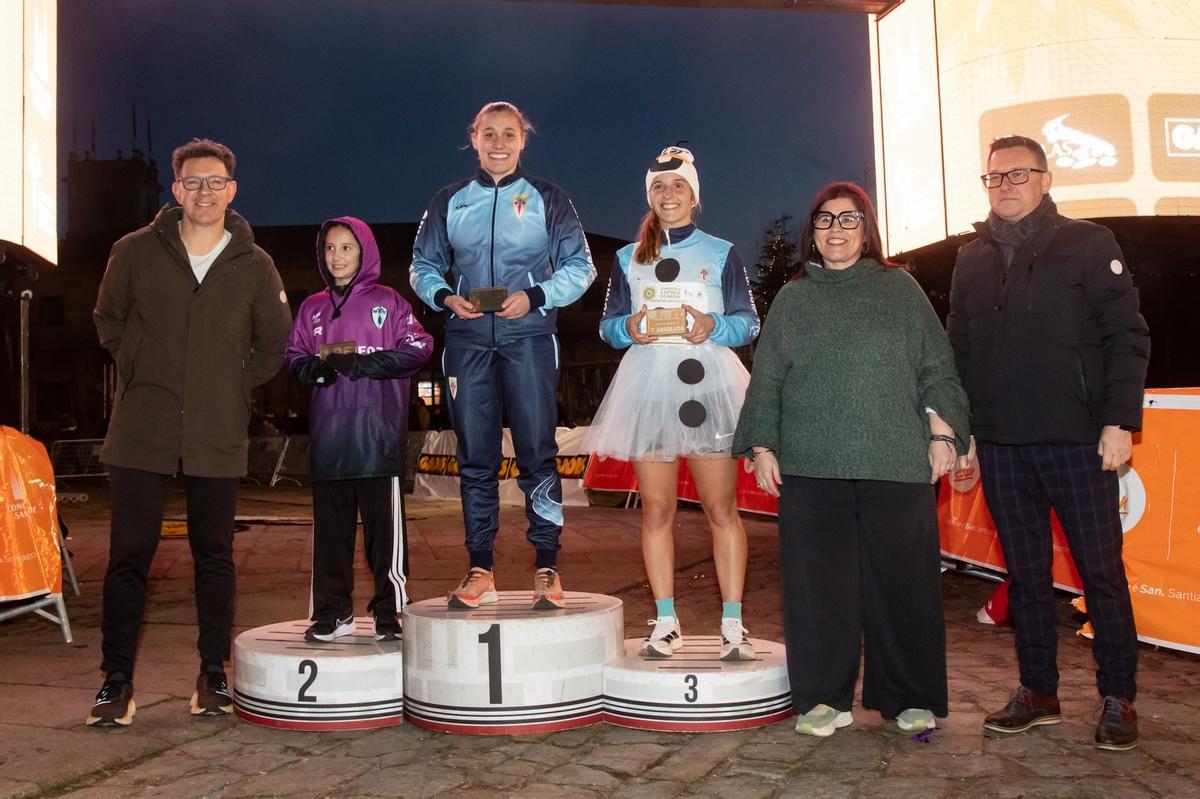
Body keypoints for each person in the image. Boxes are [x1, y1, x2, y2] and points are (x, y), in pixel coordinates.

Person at [733, 182, 969, 737]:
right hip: (812, 466)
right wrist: (763, 445)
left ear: (867, 229)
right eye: (824, 220)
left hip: (896, 462)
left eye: (849, 219)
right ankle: (823, 699)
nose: (836, 229)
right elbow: (767, 378)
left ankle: (908, 695)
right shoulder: (793, 298)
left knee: (904, 586)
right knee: (818, 590)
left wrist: (942, 434)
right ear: (810, 234)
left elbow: (936, 366)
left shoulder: (900, 289)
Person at [948, 135, 1150, 751]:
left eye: (1018, 174)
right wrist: (963, 435)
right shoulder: (971, 259)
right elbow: (958, 350)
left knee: (1101, 574)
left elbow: (1127, 335)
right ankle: (1038, 692)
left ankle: (1119, 696)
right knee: (1026, 578)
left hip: (1078, 442)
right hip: (1003, 445)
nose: (1005, 185)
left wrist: (1119, 421)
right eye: (994, 177)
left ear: (1046, 179)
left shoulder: (1089, 245)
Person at [89, 138, 292, 727]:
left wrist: (229, 385)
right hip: (142, 428)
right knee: (129, 555)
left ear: (232, 191)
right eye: (193, 183)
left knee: (215, 555)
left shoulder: (255, 265)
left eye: (216, 183)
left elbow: (273, 344)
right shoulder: (133, 251)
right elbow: (107, 319)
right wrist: (138, 364)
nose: (205, 192)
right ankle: (115, 681)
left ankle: (211, 675)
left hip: (215, 430)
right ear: (176, 191)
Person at [410, 101, 596, 610]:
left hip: (531, 338)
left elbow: (581, 268)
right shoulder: (449, 199)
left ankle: (547, 566)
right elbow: (422, 265)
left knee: (538, 454)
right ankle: (479, 569)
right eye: (488, 133)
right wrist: (446, 297)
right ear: (474, 138)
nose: (498, 143)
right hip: (467, 342)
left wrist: (535, 297)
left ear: (522, 141)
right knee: (475, 459)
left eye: (508, 134)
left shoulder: (548, 198)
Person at [585, 146, 760, 660]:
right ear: (649, 195)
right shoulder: (625, 257)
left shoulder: (722, 251)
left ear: (694, 196)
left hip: (709, 389)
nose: (668, 195)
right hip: (650, 392)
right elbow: (607, 326)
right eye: (658, 188)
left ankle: (733, 624)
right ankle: (665, 621)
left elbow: (749, 321)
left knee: (721, 509)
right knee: (656, 510)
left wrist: (713, 326)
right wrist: (629, 328)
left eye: (678, 187)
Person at [285, 217, 432, 643]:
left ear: (364, 251)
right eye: (330, 248)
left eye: (347, 248)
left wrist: (368, 364)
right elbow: (293, 352)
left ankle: (390, 612)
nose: (337, 257)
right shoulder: (312, 307)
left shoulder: (389, 300)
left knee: (383, 536)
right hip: (330, 440)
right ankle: (333, 612)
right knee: (331, 536)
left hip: (376, 438)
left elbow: (420, 346)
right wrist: (310, 368)